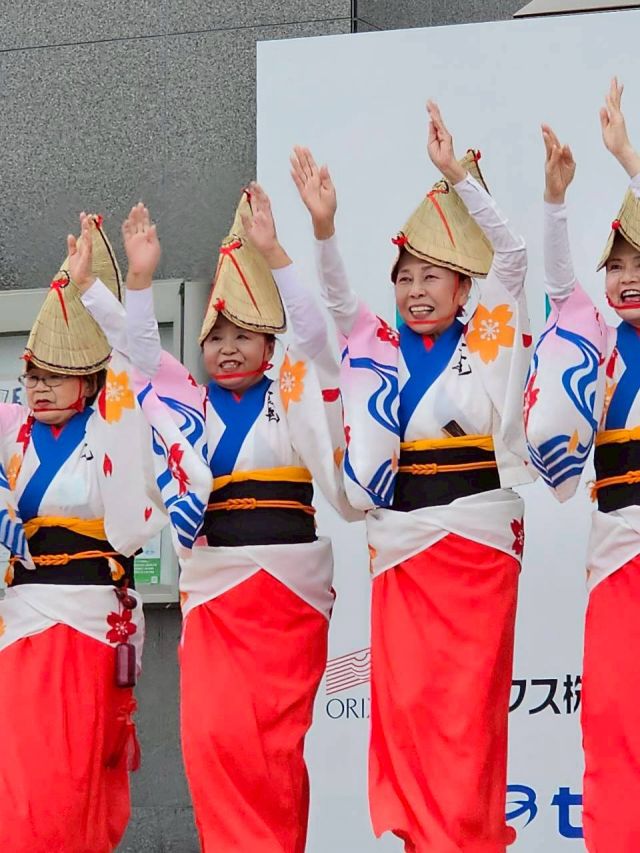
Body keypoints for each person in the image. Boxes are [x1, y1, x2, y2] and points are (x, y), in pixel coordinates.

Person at [290, 101, 534, 852]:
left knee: (467, 712)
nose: (417, 289)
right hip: (402, 551)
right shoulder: (378, 348)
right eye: (405, 277)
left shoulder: (488, 335)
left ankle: (465, 838)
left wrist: (457, 177)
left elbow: (514, 258)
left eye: (433, 276)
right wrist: (323, 228)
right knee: (409, 707)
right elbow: (336, 302)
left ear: (463, 289)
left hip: (476, 553)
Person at [84, 187, 358, 852]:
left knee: (274, 748)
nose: (229, 349)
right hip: (214, 594)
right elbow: (139, 351)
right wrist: (132, 281)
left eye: (244, 336)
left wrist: (276, 253)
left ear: (269, 343)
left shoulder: (294, 389)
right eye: (216, 338)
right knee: (212, 740)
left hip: (286, 597)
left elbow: (315, 336)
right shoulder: (188, 405)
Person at [0, 212, 166, 852]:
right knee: (20, 777)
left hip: (93, 622)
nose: (39, 389)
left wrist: (112, 285)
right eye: (33, 375)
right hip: (22, 622)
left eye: (55, 376)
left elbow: (142, 360)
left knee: (75, 779)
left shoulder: (113, 422)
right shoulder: (11, 431)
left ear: (90, 380)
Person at [525, 77, 640, 852]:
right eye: (617, 266)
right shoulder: (596, 343)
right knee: (615, 720)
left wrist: (628, 157)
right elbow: (561, 288)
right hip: (617, 557)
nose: (626, 277)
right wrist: (556, 201)